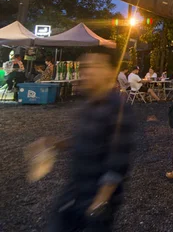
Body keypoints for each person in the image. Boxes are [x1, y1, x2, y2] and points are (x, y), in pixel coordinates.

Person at [38, 53, 135, 231]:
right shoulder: (89, 104)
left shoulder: (118, 109)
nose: (88, 72)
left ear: (110, 72)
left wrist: (99, 204)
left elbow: (118, 162)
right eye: (85, 67)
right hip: (74, 190)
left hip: (94, 198)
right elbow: (86, 139)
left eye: (96, 66)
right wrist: (57, 144)